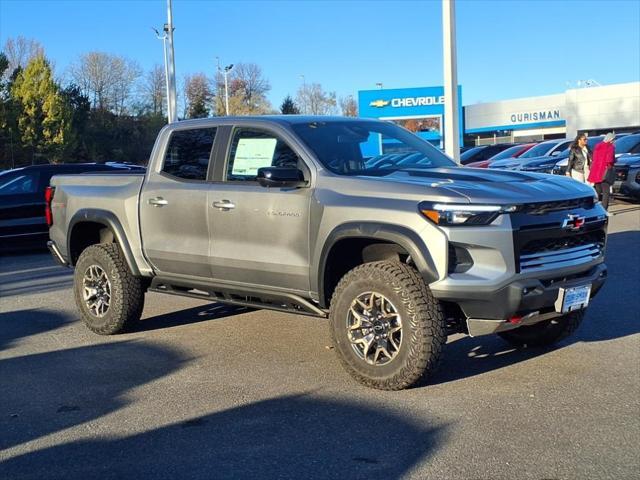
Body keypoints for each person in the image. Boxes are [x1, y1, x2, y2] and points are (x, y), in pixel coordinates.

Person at [588, 132, 616, 209]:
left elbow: (594, 158)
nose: (614, 141)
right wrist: (614, 161)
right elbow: (609, 159)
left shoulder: (597, 145)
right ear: (611, 139)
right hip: (604, 172)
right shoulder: (610, 147)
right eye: (614, 139)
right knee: (606, 192)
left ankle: (593, 207)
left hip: (596, 172)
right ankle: (604, 209)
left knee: (598, 190)